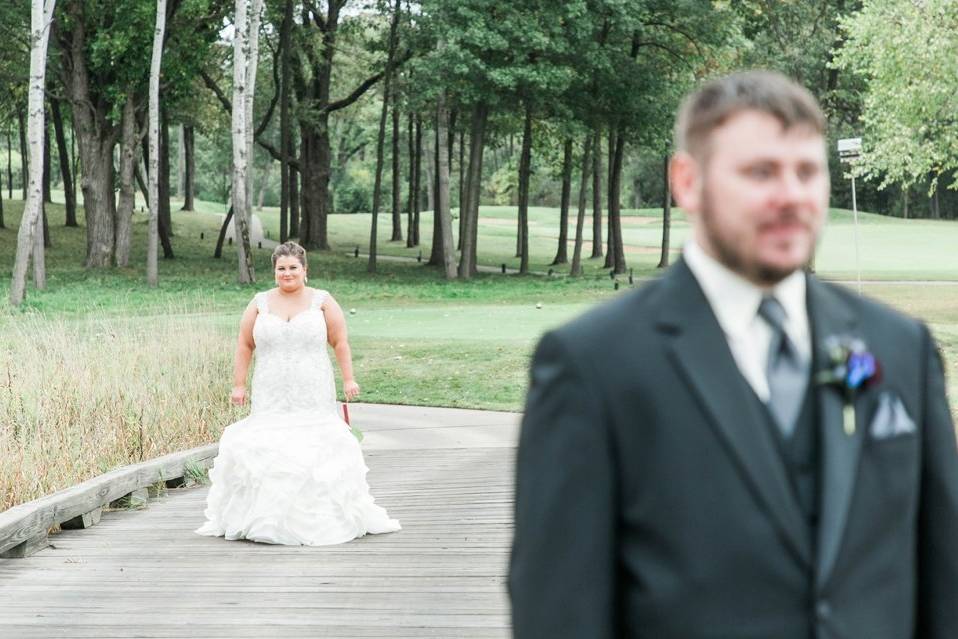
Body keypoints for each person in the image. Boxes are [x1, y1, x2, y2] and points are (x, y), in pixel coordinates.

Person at [510, 71, 958, 638]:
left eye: (807, 171)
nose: (792, 195)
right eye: (760, 172)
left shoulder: (901, 347)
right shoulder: (592, 365)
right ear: (688, 181)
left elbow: (944, 585)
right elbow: (559, 612)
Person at [196, 241, 400, 545]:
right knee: (270, 445)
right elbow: (244, 344)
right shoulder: (259, 303)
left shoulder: (322, 301)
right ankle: (264, 517)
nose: (287, 273)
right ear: (274, 271)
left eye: (293, 268)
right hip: (270, 387)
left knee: (314, 445)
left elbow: (340, 342)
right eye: (281, 269)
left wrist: (349, 379)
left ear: (304, 270)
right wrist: (238, 384)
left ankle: (320, 517)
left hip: (312, 386)